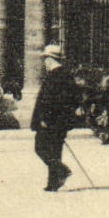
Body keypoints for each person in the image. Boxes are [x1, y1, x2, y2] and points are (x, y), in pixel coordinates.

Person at [32, 44, 79, 191]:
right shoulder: (67, 75)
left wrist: (45, 118)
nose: (45, 63)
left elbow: (48, 101)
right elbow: (75, 98)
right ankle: (53, 183)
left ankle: (62, 170)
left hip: (49, 121)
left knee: (40, 148)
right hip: (61, 121)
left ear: (50, 59)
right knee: (55, 151)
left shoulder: (53, 76)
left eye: (45, 59)